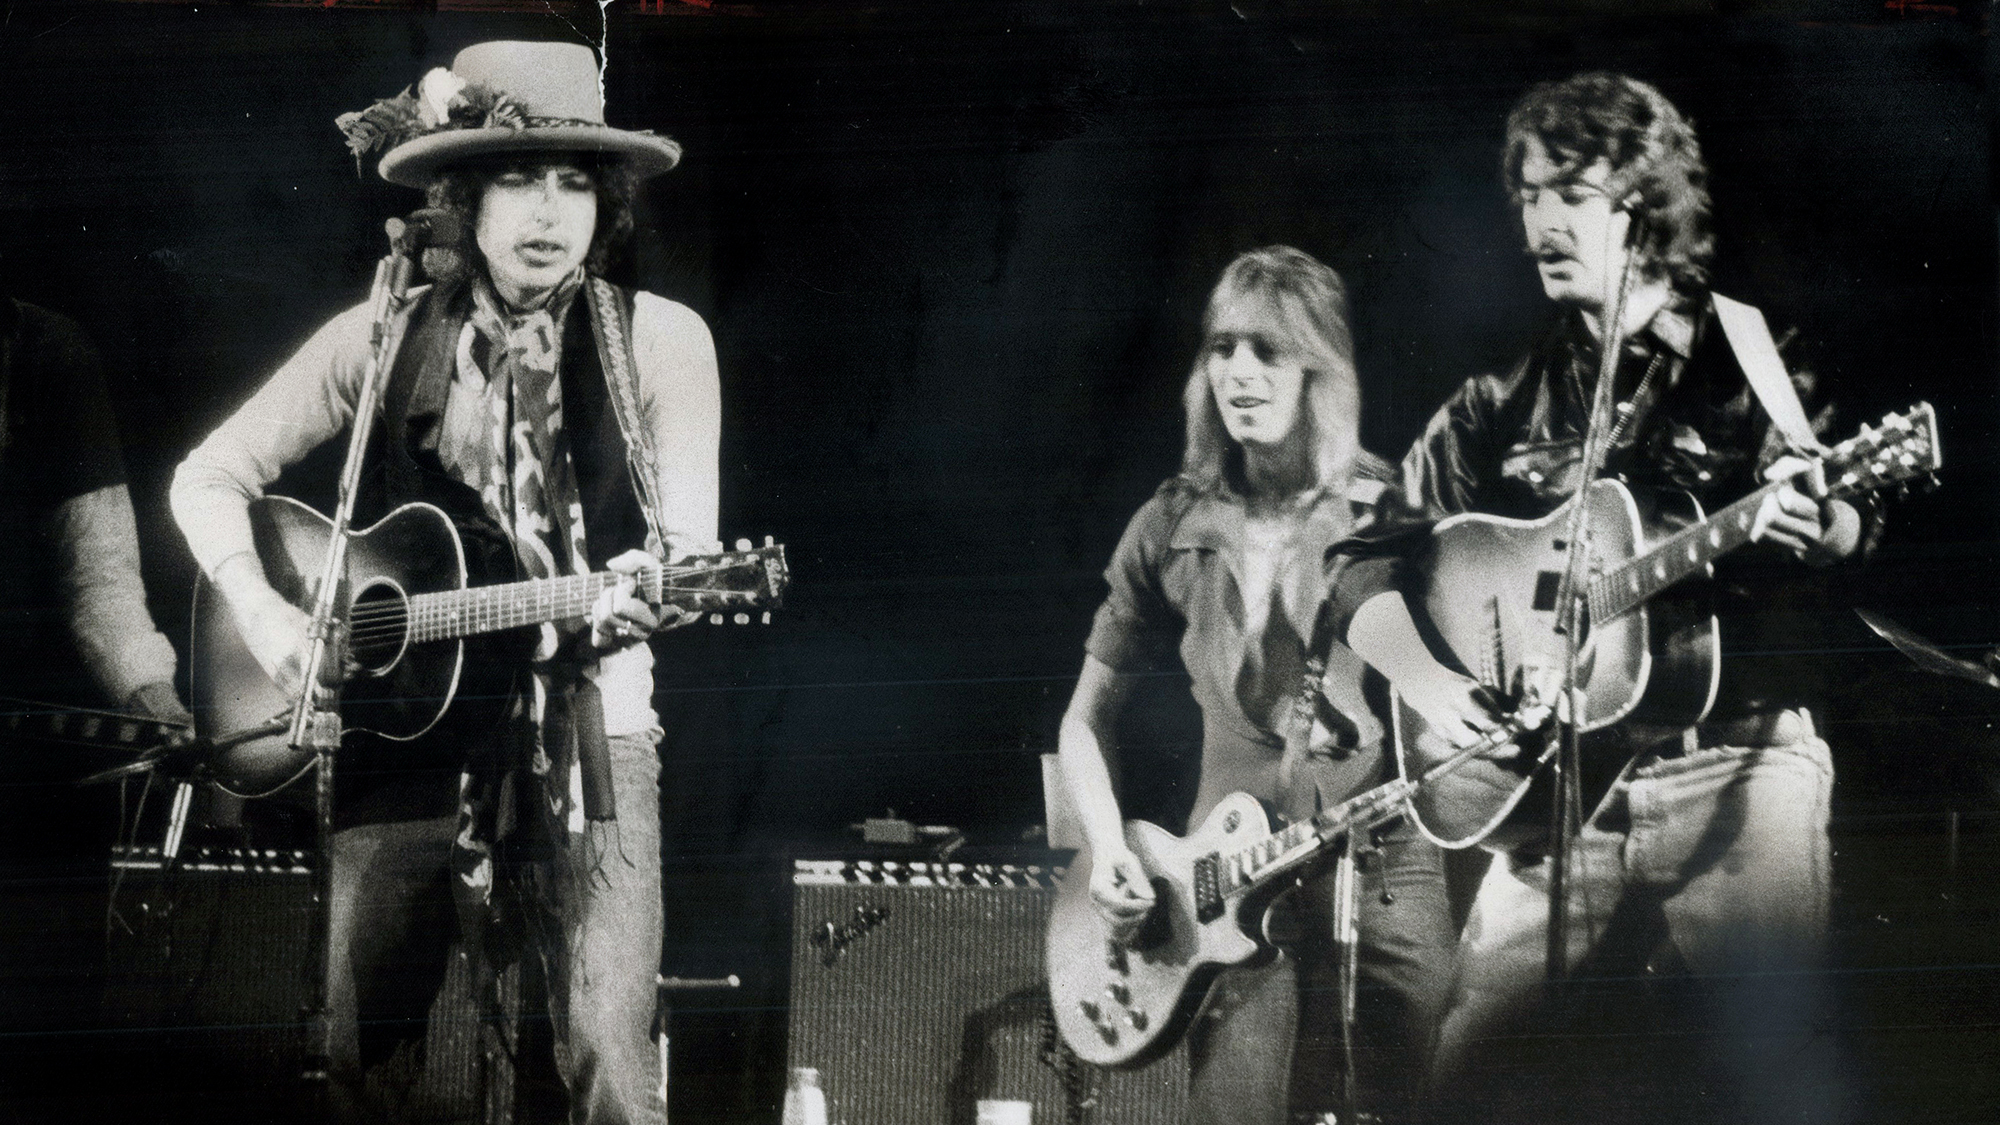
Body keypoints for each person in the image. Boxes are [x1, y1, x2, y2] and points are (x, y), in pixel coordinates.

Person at [171, 41, 718, 1125]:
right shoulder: (380, 334)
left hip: (591, 736)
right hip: (403, 735)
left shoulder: (660, 341)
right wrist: (265, 612)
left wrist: (649, 594)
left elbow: (689, 554)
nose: (548, 212)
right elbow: (207, 475)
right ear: (462, 199)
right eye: (517, 178)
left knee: (607, 1053)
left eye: (573, 183)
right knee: (356, 1058)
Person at [1327, 72, 1876, 1124]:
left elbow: (1850, 525)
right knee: (1464, 1089)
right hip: (1559, 790)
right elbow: (1358, 560)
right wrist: (1428, 685)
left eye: (1568, 193)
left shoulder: (1753, 360)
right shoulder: (1501, 397)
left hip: (1732, 768)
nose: (1538, 221)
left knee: (1780, 1083)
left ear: (1643, 204)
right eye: (1528, 195)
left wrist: (1828, 523)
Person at [1058, 246, 1453, 1125]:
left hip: (1382, 870)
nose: (1238, 372)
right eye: (1222, 348)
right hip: (1224, 885)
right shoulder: (1171, 520)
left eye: (1267, 350)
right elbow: (1084, 720)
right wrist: (1110, 851)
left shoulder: (1388, 506)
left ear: (1319, 367)